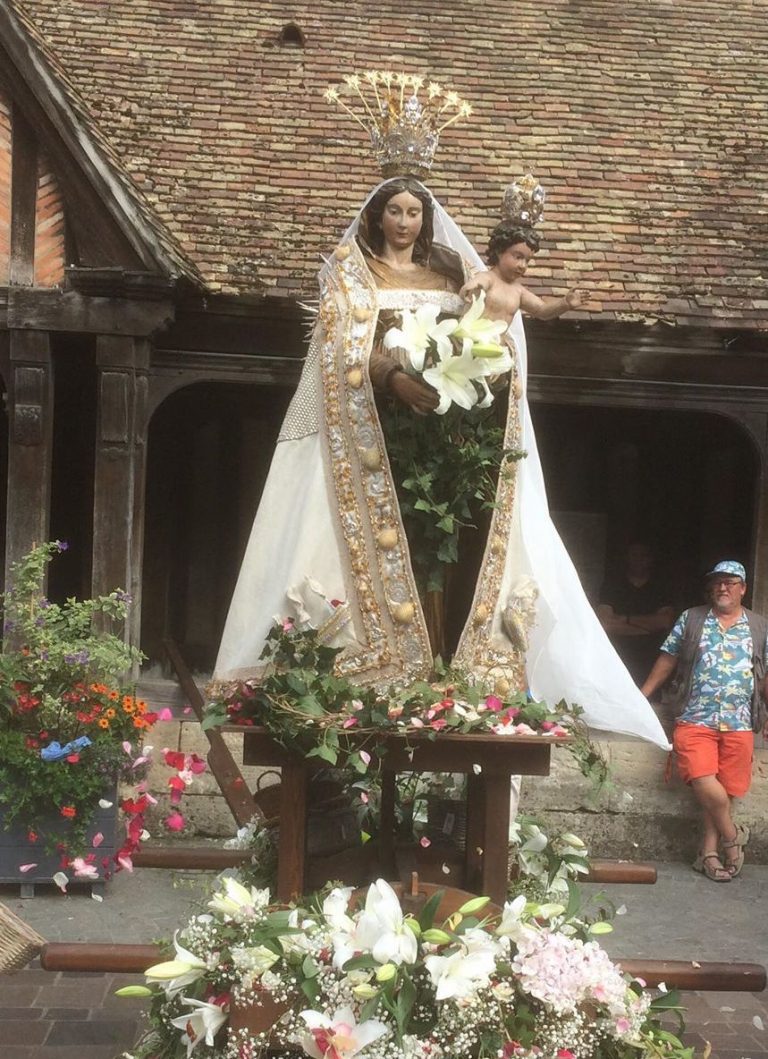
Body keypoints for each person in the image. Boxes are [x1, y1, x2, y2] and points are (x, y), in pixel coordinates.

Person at [212, 74, 668, 750]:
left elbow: (494, 327)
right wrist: (395, 378)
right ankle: (376, 670)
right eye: (394, 210)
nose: (404, 221)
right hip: (377, 437)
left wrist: (477, 371)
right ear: (376, 216)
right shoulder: (350, 273)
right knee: (377, 552)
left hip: (449, 432)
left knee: (449, 549)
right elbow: (345, 345)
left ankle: (445, 666)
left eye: (413, 212)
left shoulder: (455, 271)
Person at [640, 561, 768, 881]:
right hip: (695, 716)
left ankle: (708, 854)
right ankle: (732, 837)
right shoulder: (692, 619)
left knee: (727, 788)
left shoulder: (759, 626)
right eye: (717, 583)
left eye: (730, 582)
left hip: (739, 721)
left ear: (743, 588)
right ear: (711, 588)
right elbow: (668, 658)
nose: (723, 588)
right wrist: (642, 695)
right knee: (701, 777)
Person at [459, 221, 587, 324]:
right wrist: (473, 287)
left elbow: (541, 310)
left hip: (498, 351)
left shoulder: (519, 291)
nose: (523, 266)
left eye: (527, 260)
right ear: (499, 251)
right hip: (471, 344)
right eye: (518, 257)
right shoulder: (489, 279)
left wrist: (564, 304)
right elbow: (479, 282)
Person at [597, 542, 675, 684]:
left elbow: (665, 622)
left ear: (650, 559)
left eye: (643, 556)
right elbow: (605, 624)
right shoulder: (612, 585)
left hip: (650, 659)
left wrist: (624, 619)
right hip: (616, 655)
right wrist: (648, 628)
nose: (638, 560)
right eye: (634, 555)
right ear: (627, 558)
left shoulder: (661, 586)